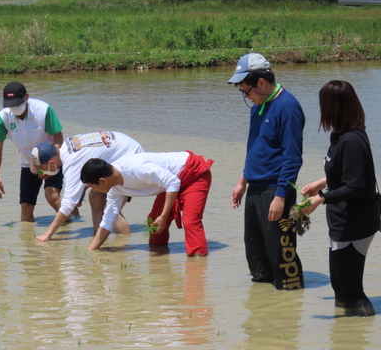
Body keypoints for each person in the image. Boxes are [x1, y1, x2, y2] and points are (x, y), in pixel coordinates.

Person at [300, 80, 377, 317]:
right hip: (341, 221)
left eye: (323, 104)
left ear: (336, 107)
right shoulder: (339, 135)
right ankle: (342, 336)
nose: (320, 109)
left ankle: (362, 333)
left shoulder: (351, 140)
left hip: (355, 221)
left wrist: (321, 198)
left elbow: (355, 186)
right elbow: (345, 174)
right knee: (339, 287)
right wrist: (321, 183)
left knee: (351, 290)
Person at [228, 53, 305, 290]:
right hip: (255, 189)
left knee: (283, 258)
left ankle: (288, 311)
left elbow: (293, 158)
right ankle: (263, 314)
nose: (246, 96)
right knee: (256, 255)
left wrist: (280, 196)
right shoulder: (258, 107)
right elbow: (254, 146)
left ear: (261, 83)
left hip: (275, 191)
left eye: (247, 91)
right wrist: (243, 181)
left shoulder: (288, 108)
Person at [80, 151, 213, 257]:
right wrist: (91, 251)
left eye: (93, 187)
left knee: (190, 221)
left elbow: (173, 182)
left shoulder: (136, 169)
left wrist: (164, 215)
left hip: (193, 173)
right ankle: (160, 255)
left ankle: (198, 262)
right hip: (170, 182)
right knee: (153, 221)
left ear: (103, 181)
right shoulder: (114, 188)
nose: (94, 191)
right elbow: (109, 219)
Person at [31, 131, 144, 242]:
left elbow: (68, 204)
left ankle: (124, 247)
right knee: (95, 198)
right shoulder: (66, 145)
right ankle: (98, 238)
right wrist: (82, 191)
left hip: (132, 159)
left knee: (110, 209)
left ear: (51, 162)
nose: (41, 173)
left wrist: (48, 234)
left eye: (42, 168)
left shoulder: (71, 162)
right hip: (124, 147)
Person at [0, 81, 64, 222]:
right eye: (11, 105)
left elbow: (58, 138)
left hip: (51, 160)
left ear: (27, 97)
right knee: (26, 207)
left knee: (52, 197)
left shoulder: (43, 110)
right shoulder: (3, 117)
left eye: (17, 103)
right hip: (28, 163)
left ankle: (67, 223)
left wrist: (51, 166)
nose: (14, 108)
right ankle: (27, 241)